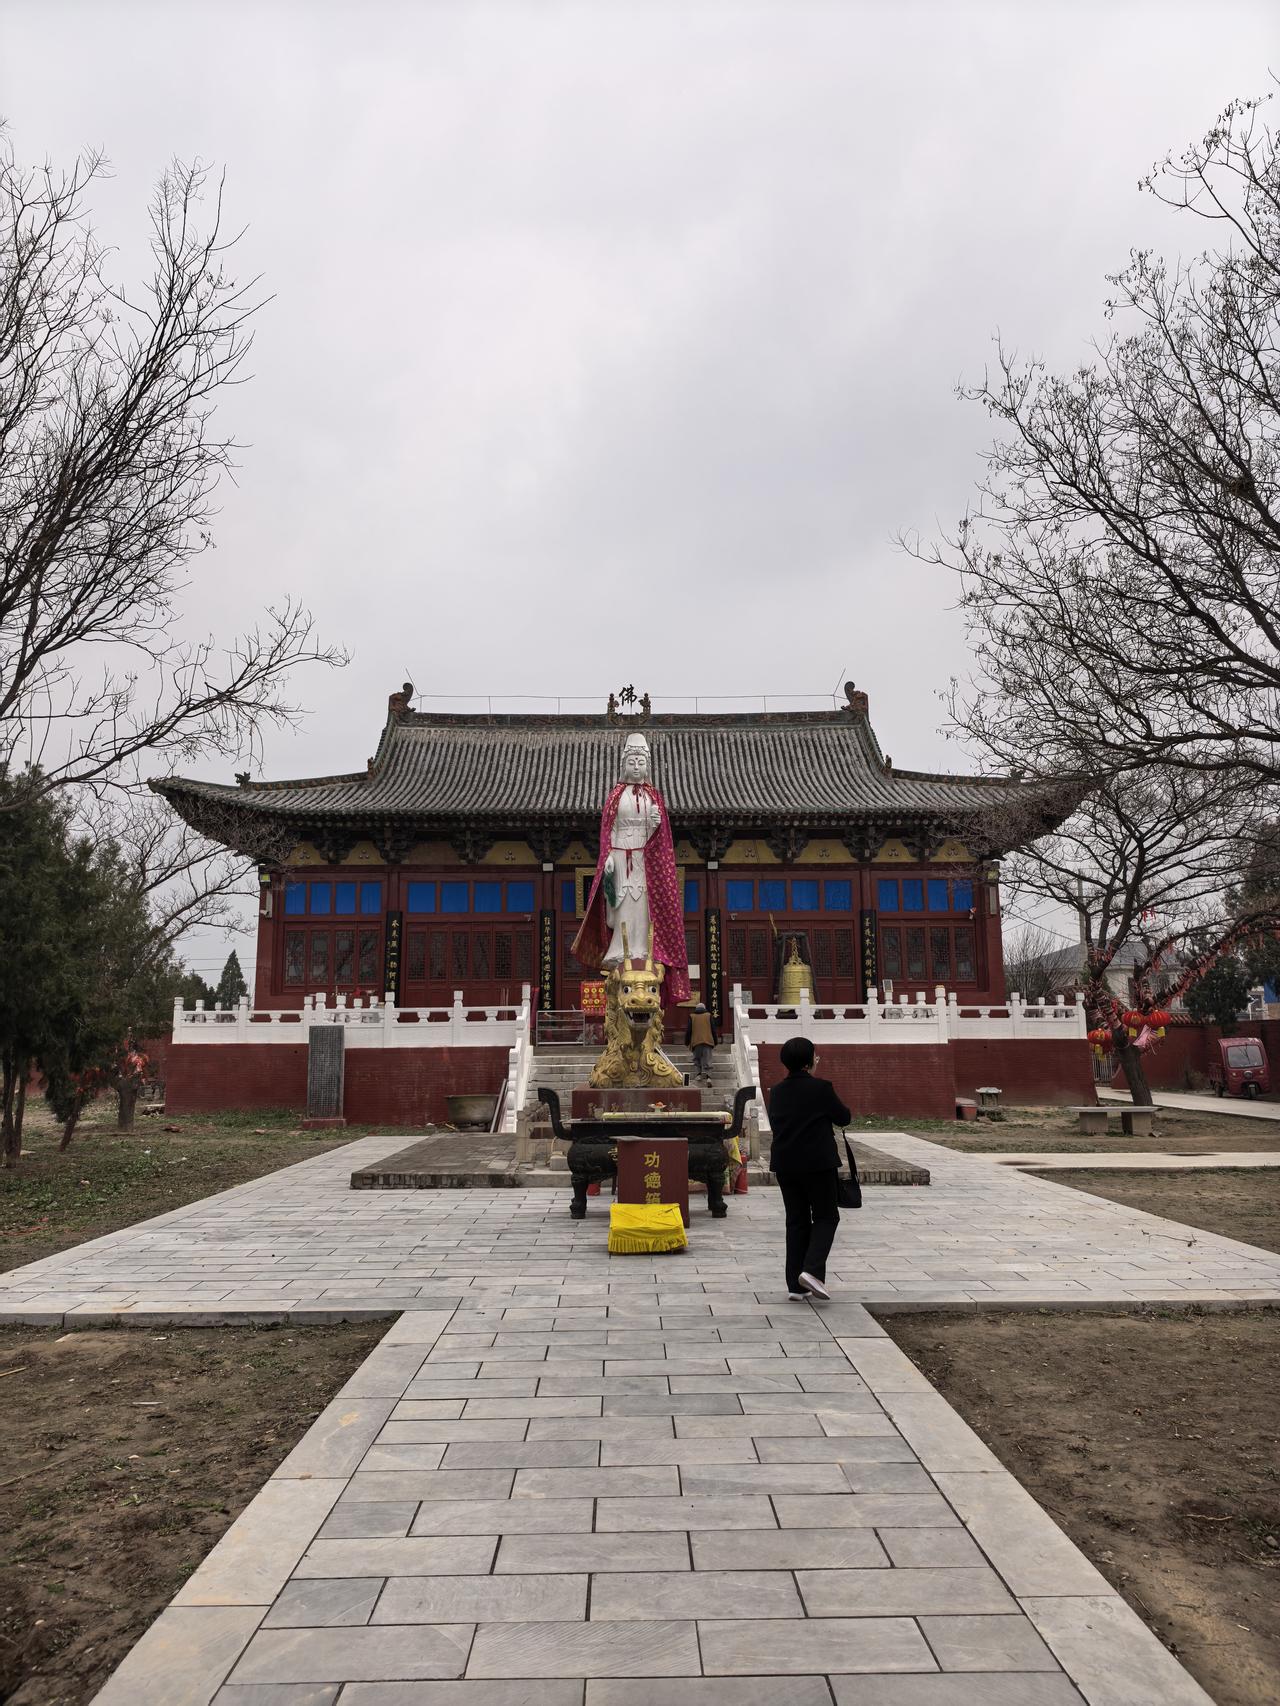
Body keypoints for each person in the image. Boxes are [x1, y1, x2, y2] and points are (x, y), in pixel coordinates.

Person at [767, 1035, 851, 1301]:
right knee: (827, 1216)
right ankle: (812, 1271)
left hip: (786, 1165)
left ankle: (796, 1285)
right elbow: (844, 1117)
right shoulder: (821, 1088)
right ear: (808, 1062)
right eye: (815, 1056)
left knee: (797, 1221)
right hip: (818, 1163)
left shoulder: (777, 1091)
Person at [684, 1002, 719, 1086]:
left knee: (697, 1059)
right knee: (708, 1059)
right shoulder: (708, 1015)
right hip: (707, 1041)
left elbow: (689, 1030)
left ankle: (698, 1075)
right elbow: (713, 1029)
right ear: (704, 1008)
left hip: (696, 1042)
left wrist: (687, 1041)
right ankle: (709, 1077)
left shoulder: (692, 1016)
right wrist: (715, 1040)